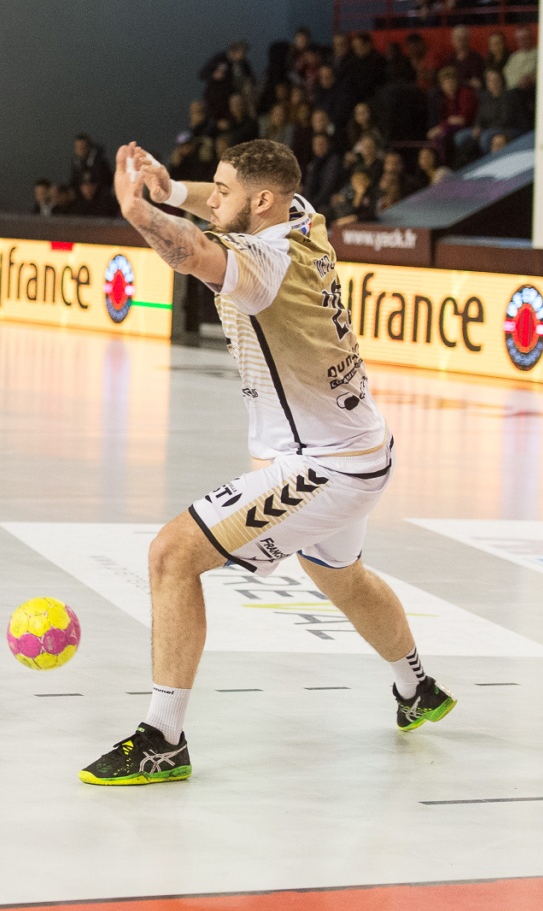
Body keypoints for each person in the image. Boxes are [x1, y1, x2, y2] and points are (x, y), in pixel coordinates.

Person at [81, 139, 455, 785]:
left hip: (325, 466)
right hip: (362, 445)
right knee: (341, 577)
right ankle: (417, 688)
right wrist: (175, 191)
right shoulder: (302, 216)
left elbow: (189, 251)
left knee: (172, 557)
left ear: (260, 203)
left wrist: (140, 211)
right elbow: (222, 205)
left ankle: (162, 739)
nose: (212, 200)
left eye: (223, 192)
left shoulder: (262, 261)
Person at [300, 132, 345, 211]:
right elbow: (308, 186)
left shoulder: (334, 161)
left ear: (328, 145)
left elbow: (328, 188)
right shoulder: (314, 163)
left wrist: (312, 205)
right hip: (312, 204)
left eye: (321, 144)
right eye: (316, 144)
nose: (318, 147)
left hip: (326, 204)